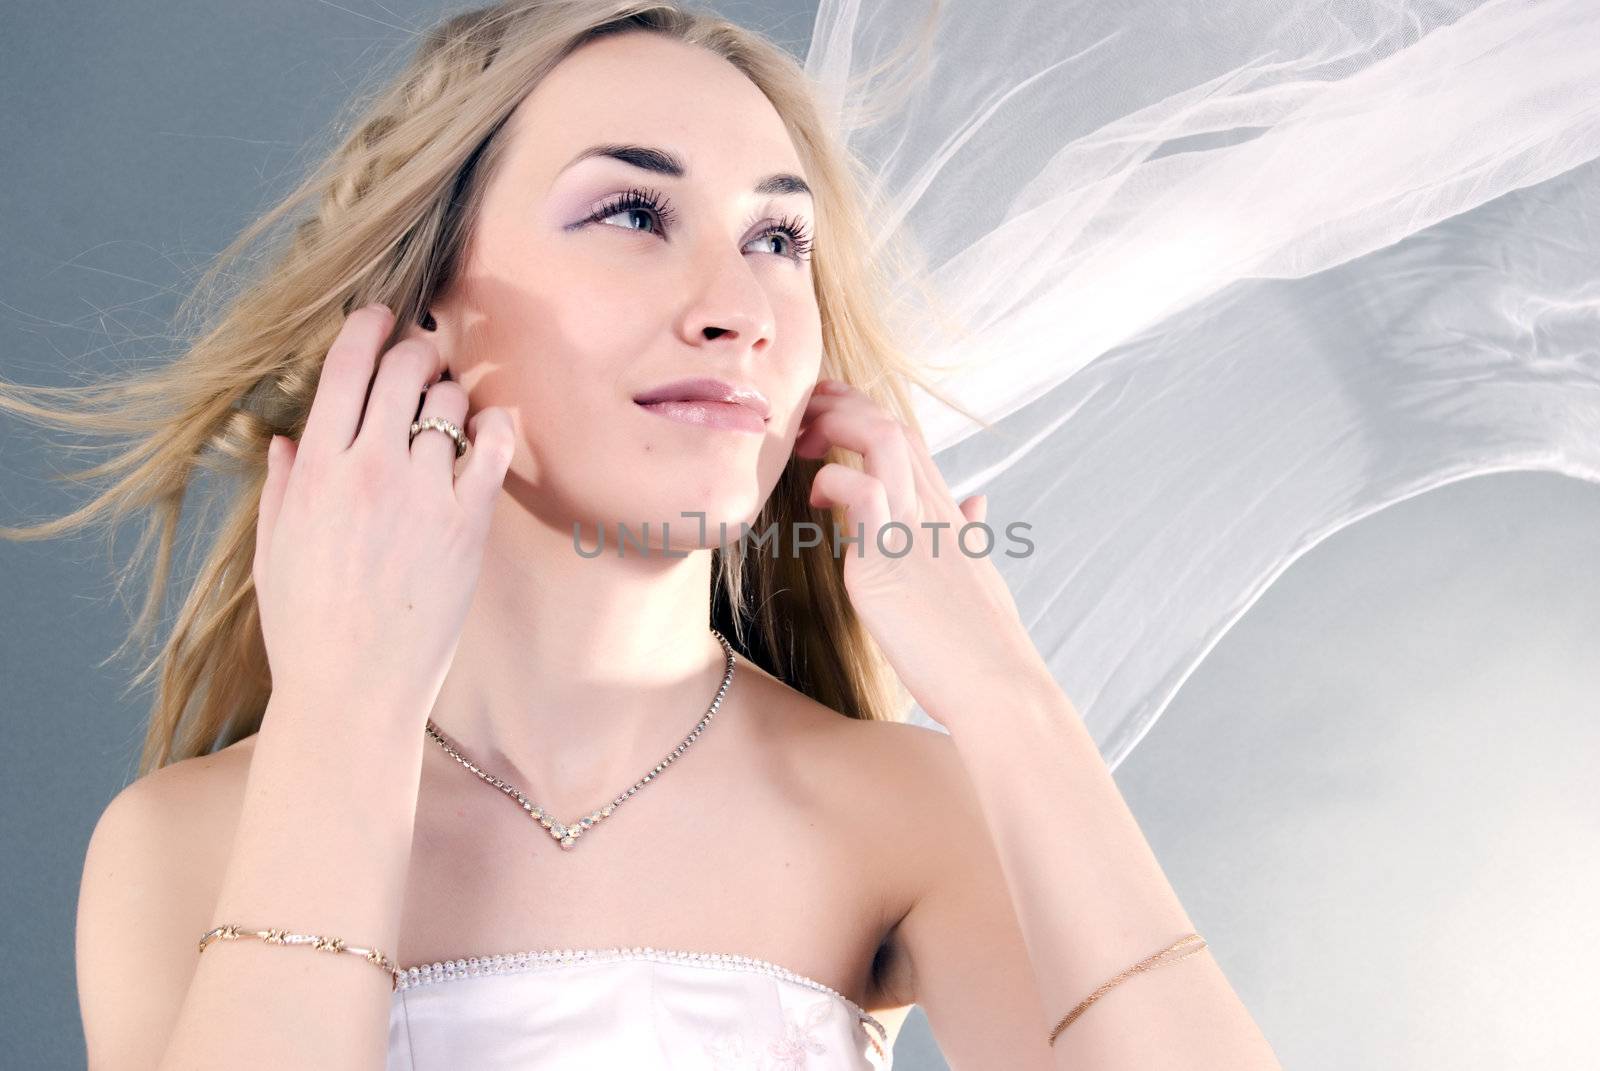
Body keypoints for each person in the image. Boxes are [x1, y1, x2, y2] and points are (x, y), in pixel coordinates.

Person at [0, 3, 1289, 1069]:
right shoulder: (184, 846)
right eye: (630, 212)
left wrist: (1008, 695)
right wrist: (344, 727)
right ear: (423, 304)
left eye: (780, 238)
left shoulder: (899, 812)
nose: (740, 309)